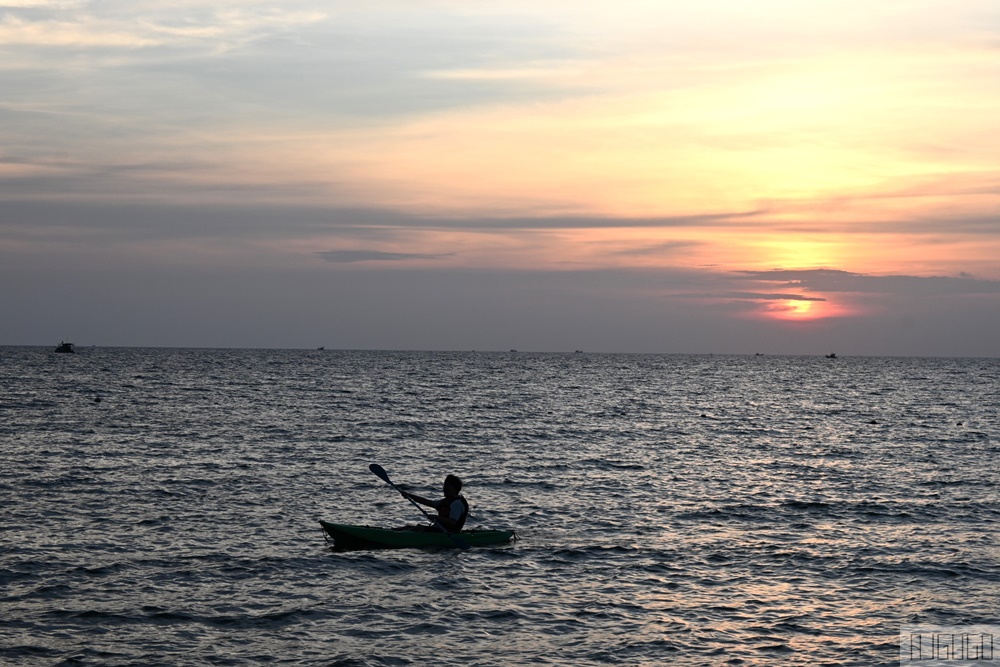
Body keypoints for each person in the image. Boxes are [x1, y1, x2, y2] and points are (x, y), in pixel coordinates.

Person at [399, 474, 469, 533]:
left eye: (447, 488)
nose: (444, 489)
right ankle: (393, 532)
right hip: (440, 530)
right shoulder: (445, 501)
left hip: (449, 532)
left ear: (455, 489)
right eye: (444, 486)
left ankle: (398, 537)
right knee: (408, 527)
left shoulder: (457, 504)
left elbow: (453, 522)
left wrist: (436, 517)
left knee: (418, 529)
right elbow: (426, 502)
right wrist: (409, 495)